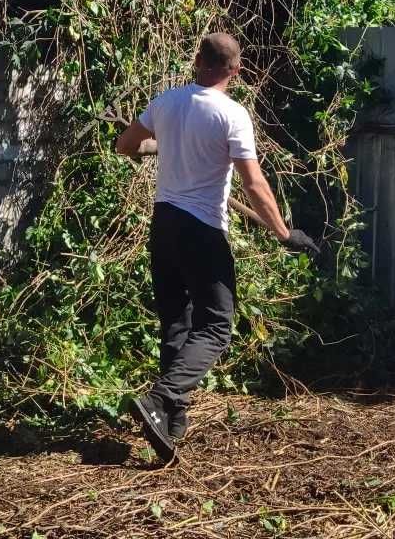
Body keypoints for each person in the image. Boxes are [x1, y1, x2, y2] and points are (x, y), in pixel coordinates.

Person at [116, 32, 319, 462]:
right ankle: (161, 398)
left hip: (164, 224)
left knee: (176, 322)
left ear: (197, 61)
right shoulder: (232, 115)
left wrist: (156, 146)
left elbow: (126, 146)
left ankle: (170, 423)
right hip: (202, 230)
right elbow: (253, 183)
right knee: (216, 327)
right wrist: (285, 233)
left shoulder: (166, 102)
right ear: (236, 70)